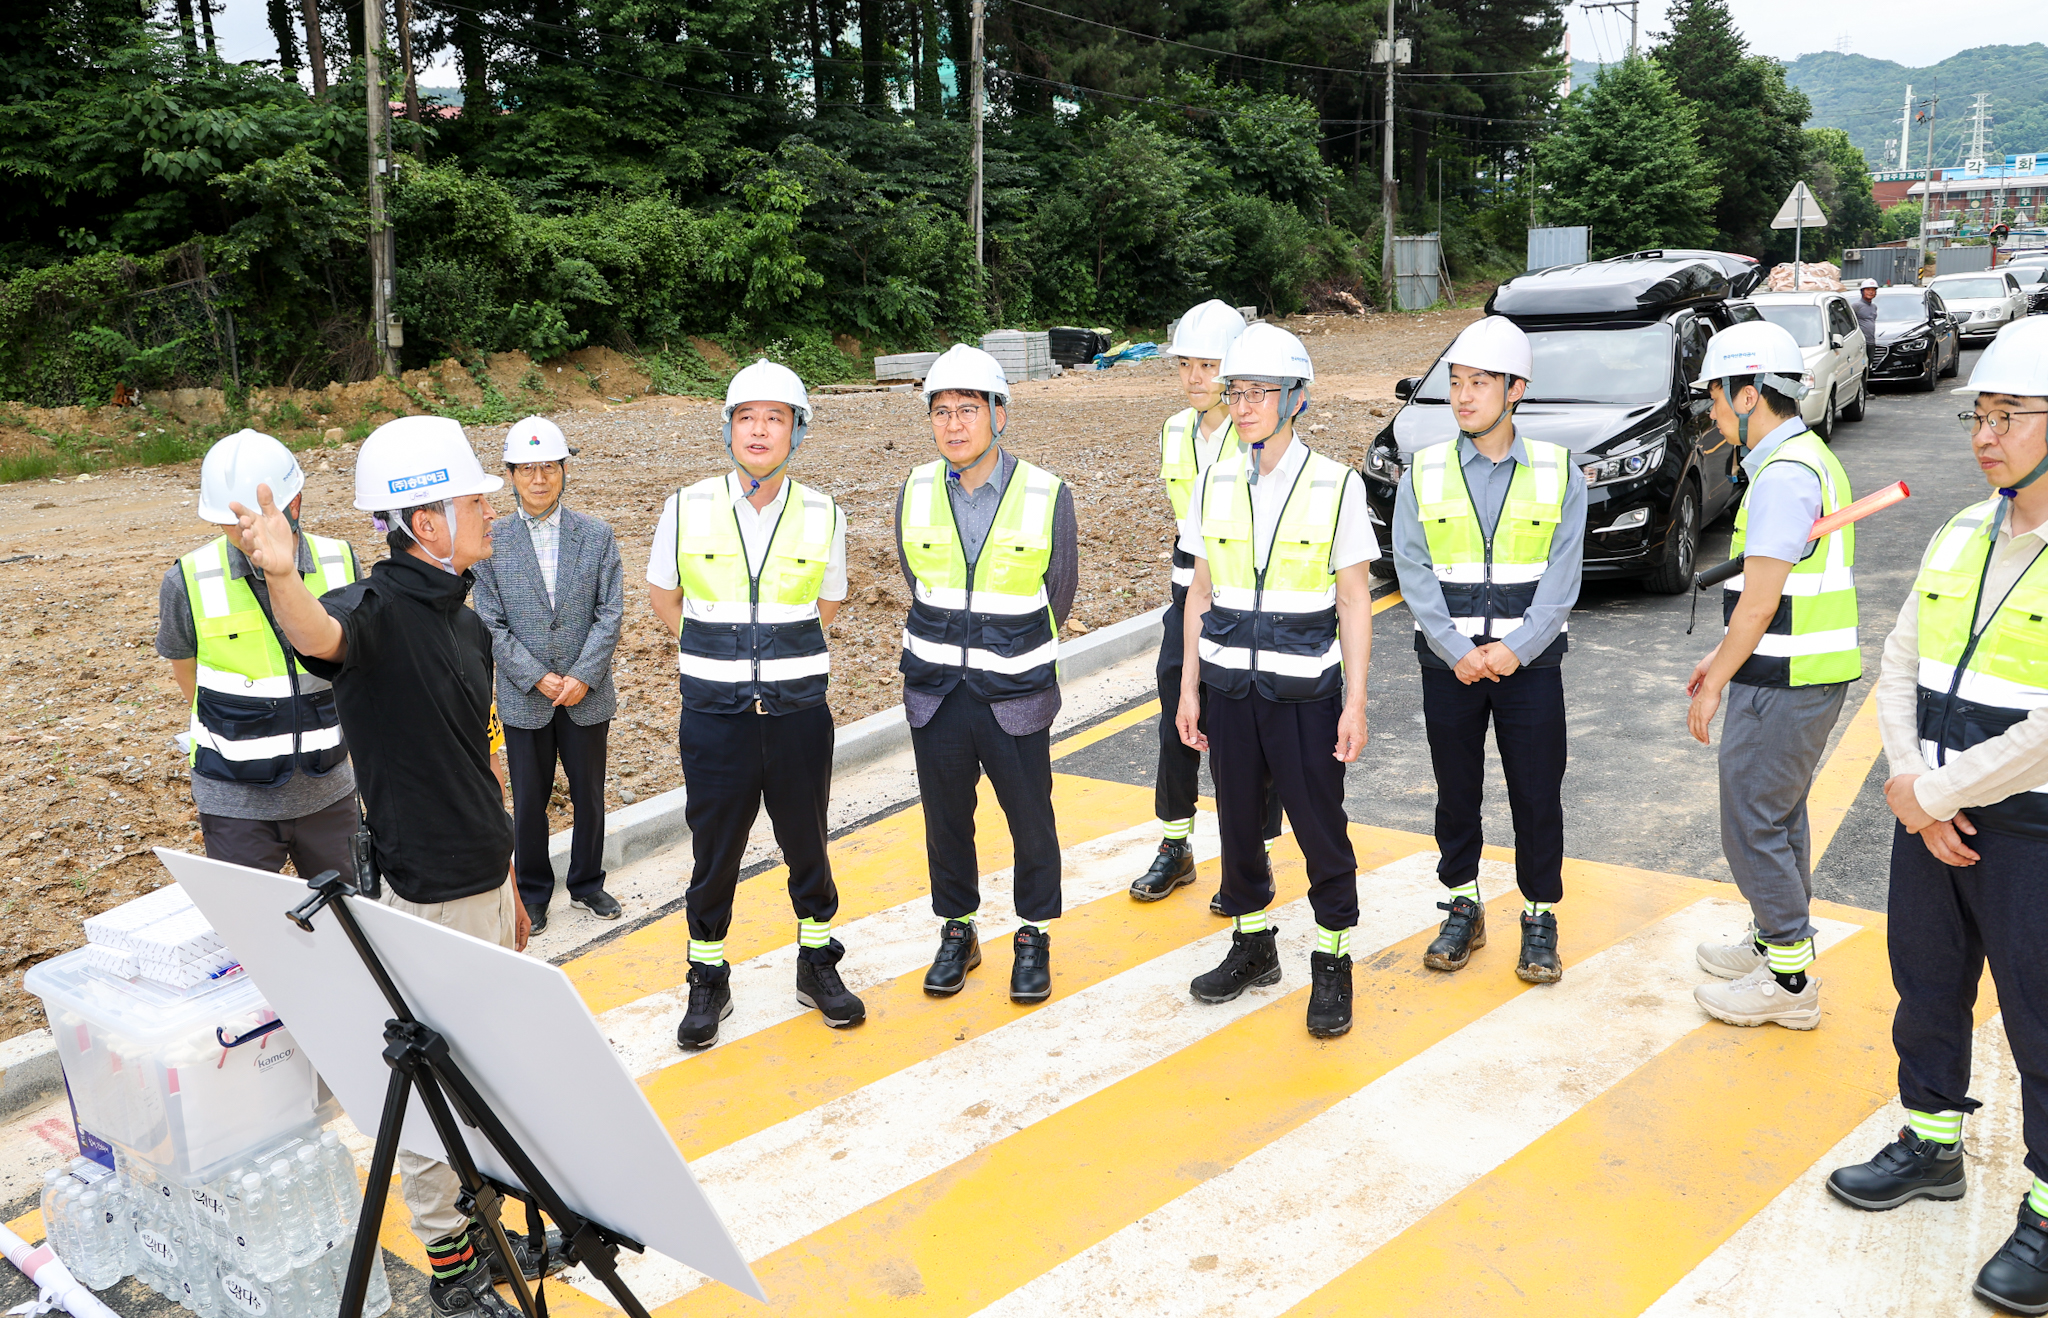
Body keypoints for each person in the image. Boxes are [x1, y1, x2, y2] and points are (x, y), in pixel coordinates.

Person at [226, 415, 546, 1318]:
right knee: (433, 1082)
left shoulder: (463, 615)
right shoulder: (376, 613)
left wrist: (512, 872)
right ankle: (452, 1266)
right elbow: (319, 637)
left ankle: (485, 1228)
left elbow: (480, 757)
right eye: (474, 497)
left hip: (484, 879)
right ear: (427, 522)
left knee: (485, 1074)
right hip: (426, 896)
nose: (490, 508)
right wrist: (281, 574)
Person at [1825, 318, 2048, 1315]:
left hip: (2028, 827)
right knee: (1923, 982)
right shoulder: (1960, 532)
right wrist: (1913, 789)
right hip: (1932, 814)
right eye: (1979, 415)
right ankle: (1929, 1140)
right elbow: (1899, 666)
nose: (1983, 435)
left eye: (2007, 416)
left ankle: (2044, 1213)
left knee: (2040, 1017)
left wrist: (1936, 794)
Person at [647, 360, 864, 1048]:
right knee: (715, 852)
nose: (760, 429)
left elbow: (828, 602)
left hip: (799, 714)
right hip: (715, 717)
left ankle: (816, 963)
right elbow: (664, 599)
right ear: (729, 430)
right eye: (747, 417)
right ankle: (707, 977)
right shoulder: (685, 506)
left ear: (797, 431)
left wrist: (775, 657)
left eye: (775, 417)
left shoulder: (825, 511)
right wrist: (724, 657)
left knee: (808, 843)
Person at [1175, 323, 1377, 1039]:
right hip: (1230, 693)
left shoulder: (1336, 485)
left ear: (1295, 399)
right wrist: (1189, 688)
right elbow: (1200, 593)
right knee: (1236, 825)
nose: (1245, 403)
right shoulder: (1214, 481)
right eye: (1236, 391)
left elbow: (1354, 600)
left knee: (1321, 829)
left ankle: (1333, 958)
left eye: (1261, 391)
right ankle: (1254, 943)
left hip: (1306, 697)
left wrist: (1355, 701)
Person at [1392, 317, 1586, 984]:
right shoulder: (1423, 471)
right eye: (1455, 382)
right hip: (1449, 665)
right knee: (1456, 790)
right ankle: (1463, 905)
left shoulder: (1561, 472)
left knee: (1537, 793)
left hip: (1529, 667)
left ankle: (1539, 916)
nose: (1464, 395)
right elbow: (1411, 569)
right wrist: (1456, 649)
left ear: (1515, 390)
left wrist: (1515, 649)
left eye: (1479, 382)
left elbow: (1563, 579)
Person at [1684, 320, 1860, 1031]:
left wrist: (1718, 678)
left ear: (1751, 394)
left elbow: (1759, 604)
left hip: (1785, 678)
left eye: (1719, 401)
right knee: (1779, 816)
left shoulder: (1784, 475)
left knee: (1751, 822)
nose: (1714, 414)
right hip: (1800, 673)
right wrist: (1720, 657)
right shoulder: (1804, 458)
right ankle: (1770, 940)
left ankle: (1788, 983)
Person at [896, 344, 1079, 1004]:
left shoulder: (1045, 493)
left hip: (1015, 696)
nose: (953, 425)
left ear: (1000, 414)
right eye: (941, 411)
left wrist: (1001, 650)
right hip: (937, 693)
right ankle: (958, 930)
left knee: (1031, 822)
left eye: (968, 410)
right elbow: (915, 577)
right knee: (946, 824)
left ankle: (1032, 936)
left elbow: (1058, 591)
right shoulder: (914, 489)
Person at [1130, 300, 1284, 910]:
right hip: (1188, 593)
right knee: (1178, 706)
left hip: (1245, 598)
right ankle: (1176, 842)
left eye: (1209, 365)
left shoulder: (1256, 432)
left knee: (1251, 722)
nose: (1196, 377)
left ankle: (1256, 852)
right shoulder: (1173, 431)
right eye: (1186, 364)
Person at [156, 430, 360, 881]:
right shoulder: (187, 580)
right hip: (234, 801)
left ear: (295, 504)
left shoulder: (340, 561)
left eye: (256, 517)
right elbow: (186, 669)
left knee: (354, 925)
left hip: (330, 791)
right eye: (231, 523)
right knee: (251, 933)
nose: (245, 533)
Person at [472, 415, 625, 934]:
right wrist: (537, 676)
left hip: (588, 693)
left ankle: (587, 882)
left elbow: (610, 611)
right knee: (530, 799)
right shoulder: (492, 541)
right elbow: (489, 620)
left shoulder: (596, 535)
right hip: (524, 697)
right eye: (527, 469)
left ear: (564, 471)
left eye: (550, 468)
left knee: (589, 792)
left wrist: (583, 674)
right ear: (511, 475)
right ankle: (534, 891)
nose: (540, 479)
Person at [1855, 278, 1881, 349]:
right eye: (1868, 289)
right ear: (1862, 291)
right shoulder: (1856, 306)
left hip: (1871, 341)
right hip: (1861, 343)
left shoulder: (1874, 307)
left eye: (1873, 290)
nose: (1871, 292)